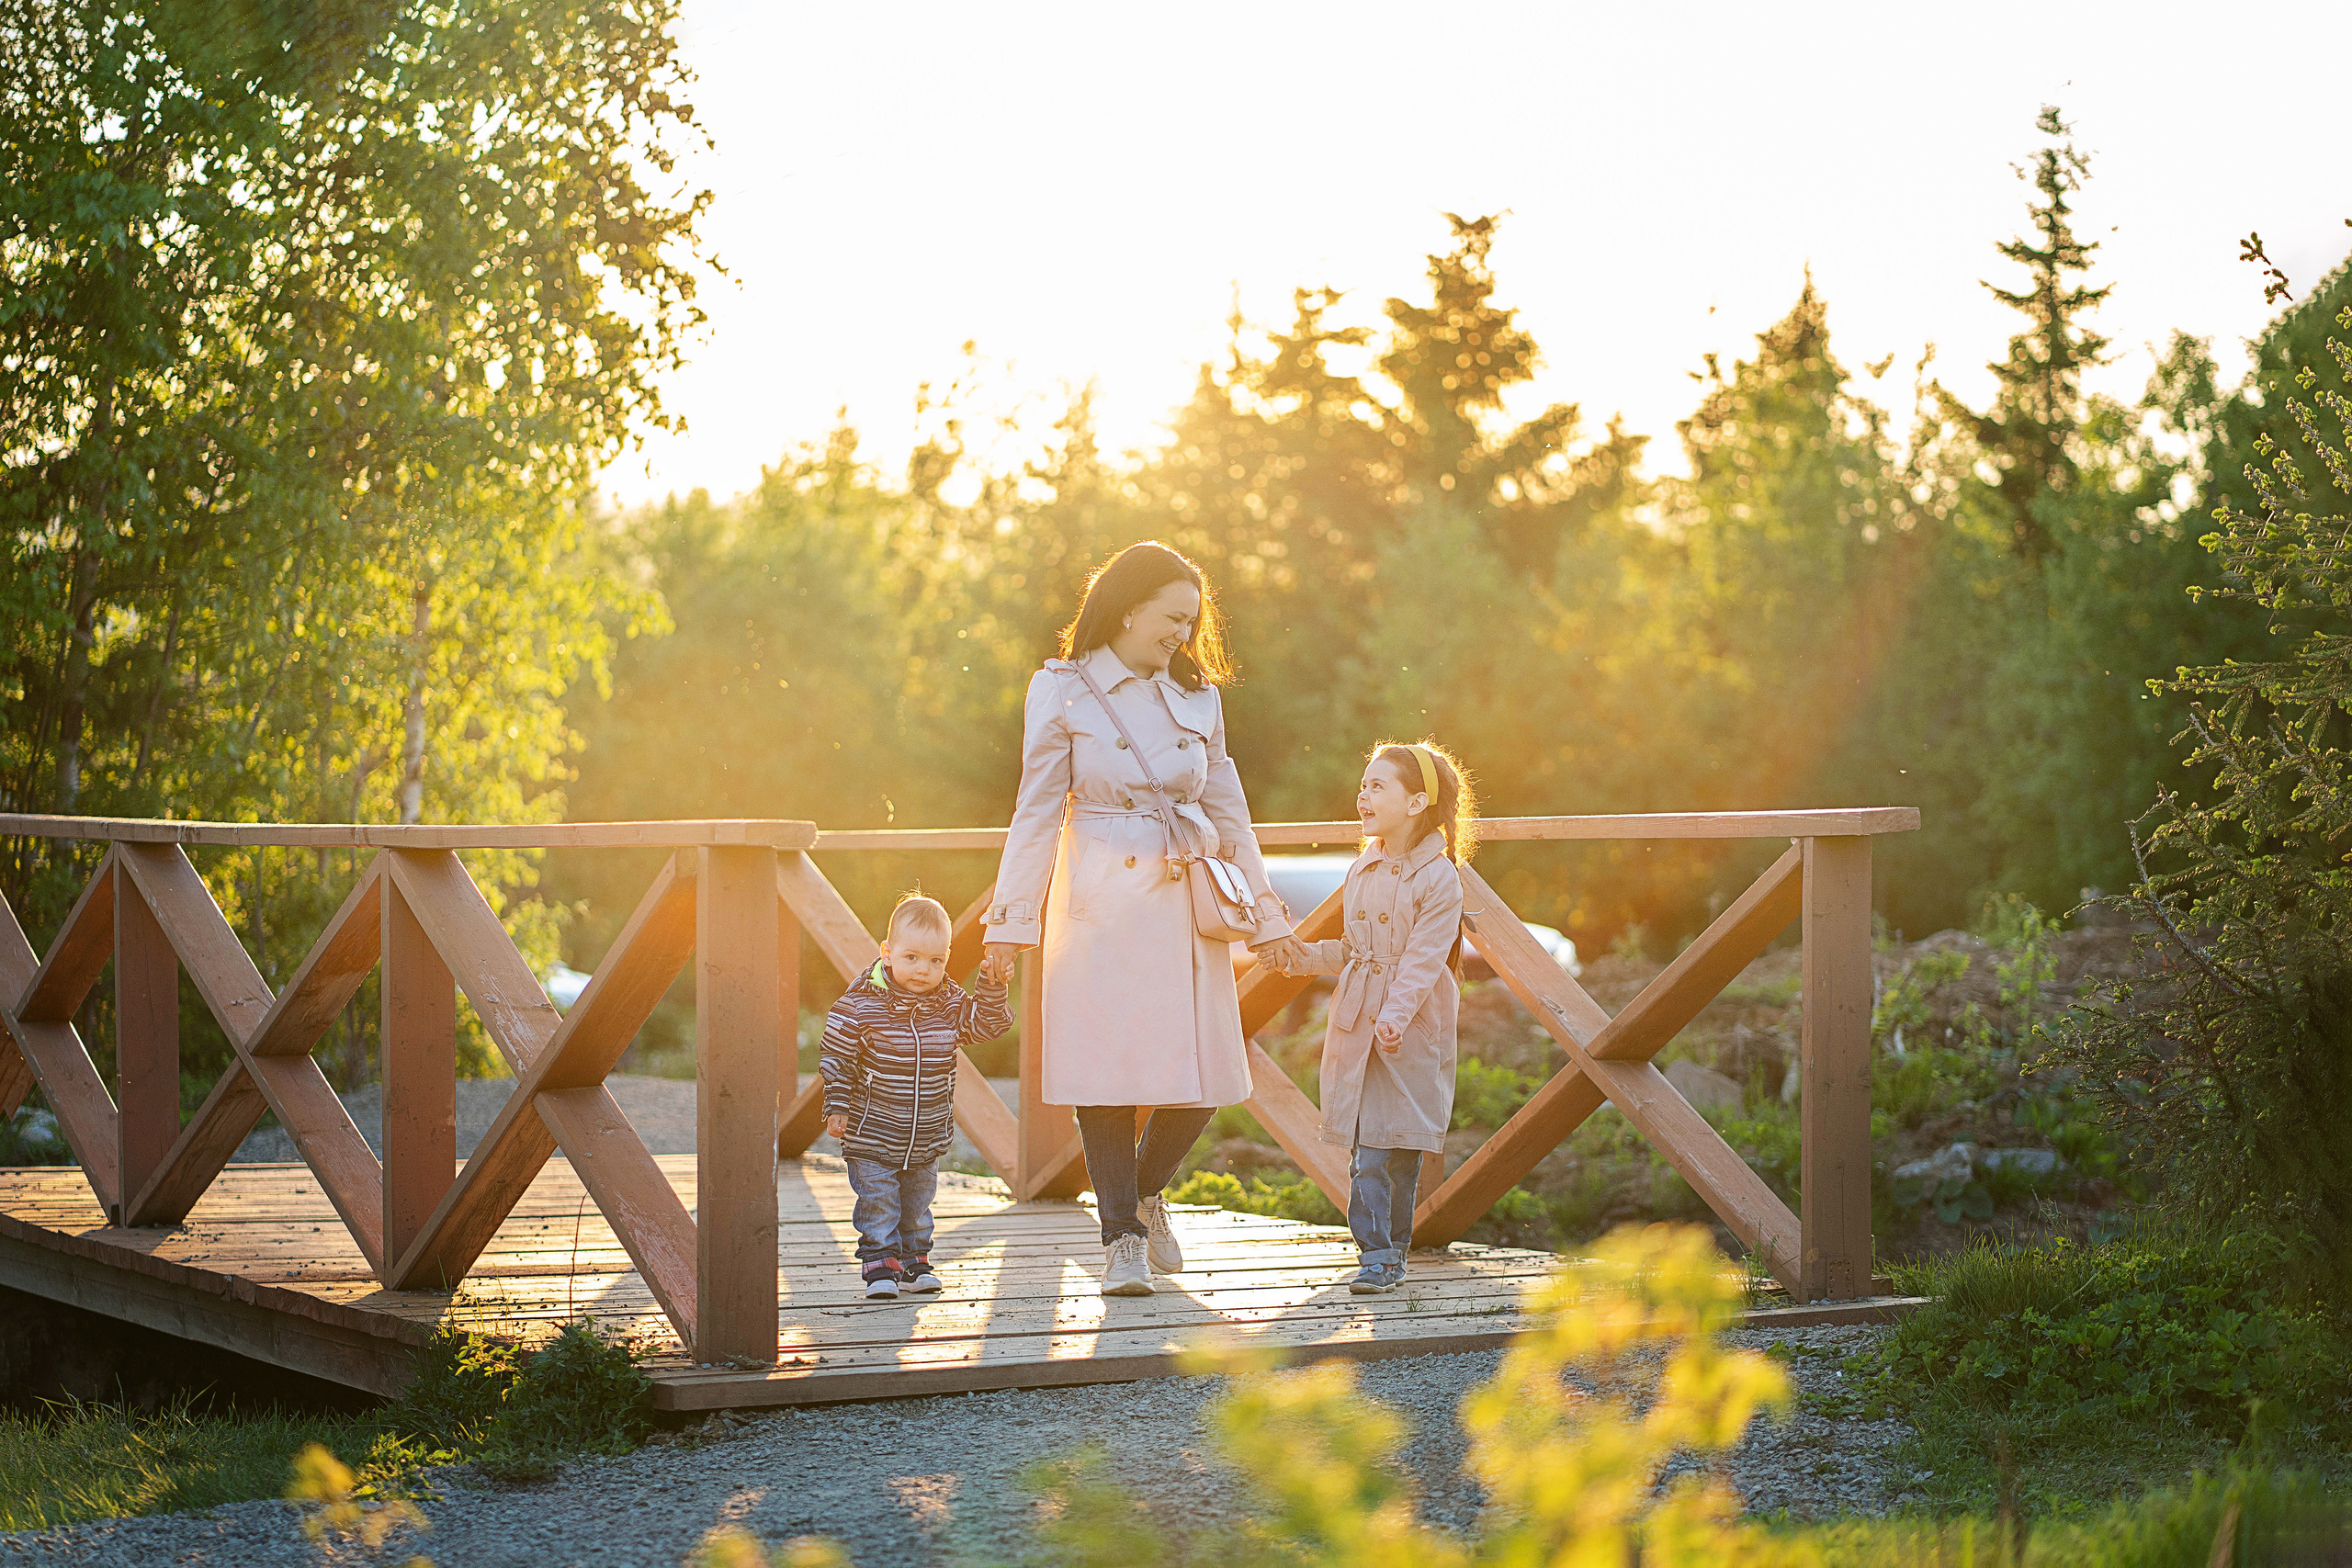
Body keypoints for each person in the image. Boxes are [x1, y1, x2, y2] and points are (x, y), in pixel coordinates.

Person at [979, 541, 1305, 1296]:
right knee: (1105, 1070)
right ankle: (1120, 1234)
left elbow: (1231, 809)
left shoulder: (1199, 697)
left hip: (1186, 898)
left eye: (1193, 622)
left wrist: (1266, 913)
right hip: (1098, 898)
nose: (1183, 635)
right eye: (1172, 618)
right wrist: (1010, 920)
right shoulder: (1061, 688)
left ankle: (1149, 1191)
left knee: (1207, 1072)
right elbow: (1035, 810)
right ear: (1128, 607)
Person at [1276, 740, 1474, 1293]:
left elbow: (1423, 958)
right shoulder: (1363, 863)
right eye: (1363, 784)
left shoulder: (1439, 877)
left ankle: (1393, 1249)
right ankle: (1376, 1252)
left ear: (1416, 803)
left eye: (1377, 785)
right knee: (1366, 1148)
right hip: (1358, 1015)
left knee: (1397, 1146)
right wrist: (1302, 956)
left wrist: (1396, 1015)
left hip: (1409, 1024)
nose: (1363, 794)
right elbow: (1353, 947)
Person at [821, 894, 1013, 1300]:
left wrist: (993, 985)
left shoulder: (948, 1004)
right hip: (870, 1130)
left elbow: (987, 1025)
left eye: (936, 960)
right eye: (912, 958)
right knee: (880, 1201)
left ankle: (915, 1261)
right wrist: (836, 1105)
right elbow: (836, 1057)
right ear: (887, 954)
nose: (924, 970)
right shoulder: (859, 1006)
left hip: (925, 1132)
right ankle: (880, 1265)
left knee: (917, 1203)